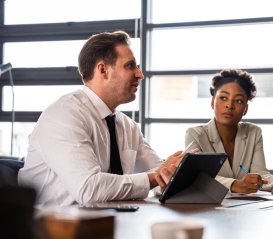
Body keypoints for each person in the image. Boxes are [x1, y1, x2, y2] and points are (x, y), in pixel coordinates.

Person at [18, 31, 184, 206]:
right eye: (130, 66)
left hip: (107, 222)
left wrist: (178, 171)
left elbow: (159, 174)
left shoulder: (128, 126)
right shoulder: (64, 114)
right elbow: (89, 189)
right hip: (51, 227)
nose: (139, 74)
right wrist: (156, 176)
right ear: (103, 70)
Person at [185, 69, 273, 194]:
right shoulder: (194, 134)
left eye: (239, 101)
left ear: (245, 109)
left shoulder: (254, 132)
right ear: (212, 102)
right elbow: (195, 177)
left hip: (245, 208)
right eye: (223, 98)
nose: (229, 105)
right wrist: (234, 184)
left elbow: (260, 174)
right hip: (209, 207)